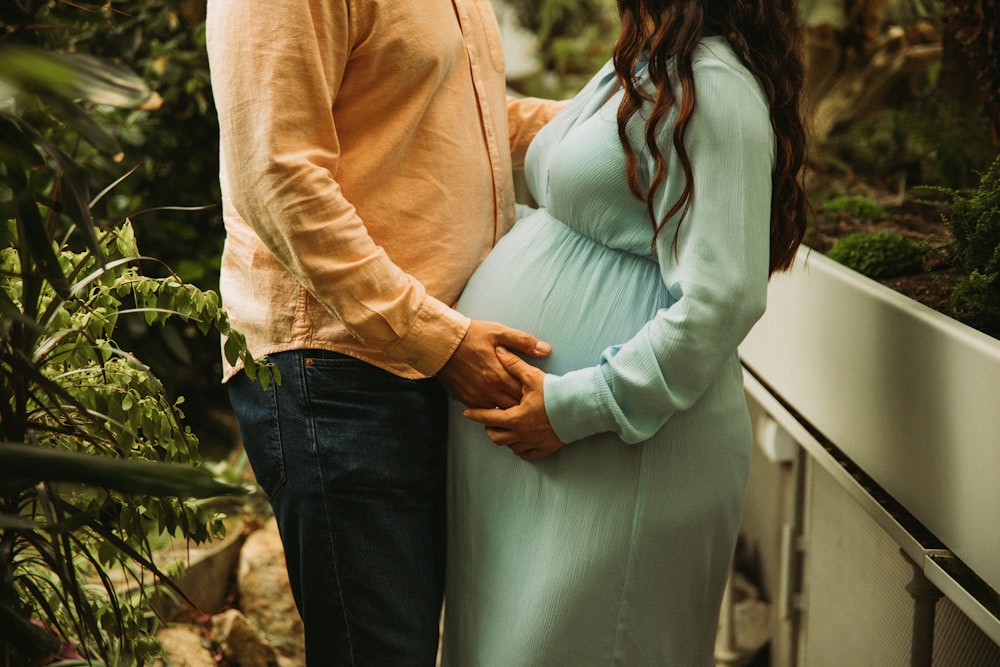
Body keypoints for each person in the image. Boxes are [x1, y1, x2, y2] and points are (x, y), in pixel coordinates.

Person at [441, 0, 809, 664]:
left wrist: (576, 405)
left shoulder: (716, 86)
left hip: (622, 447)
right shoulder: (644, 66)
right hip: (564, 463)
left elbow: (722, 301)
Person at [205, 1, 564, 664]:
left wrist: (609, 123)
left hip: (436, 356)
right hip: (339, 373)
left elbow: (460, 115)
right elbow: (278, 176)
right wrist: (438, 339)